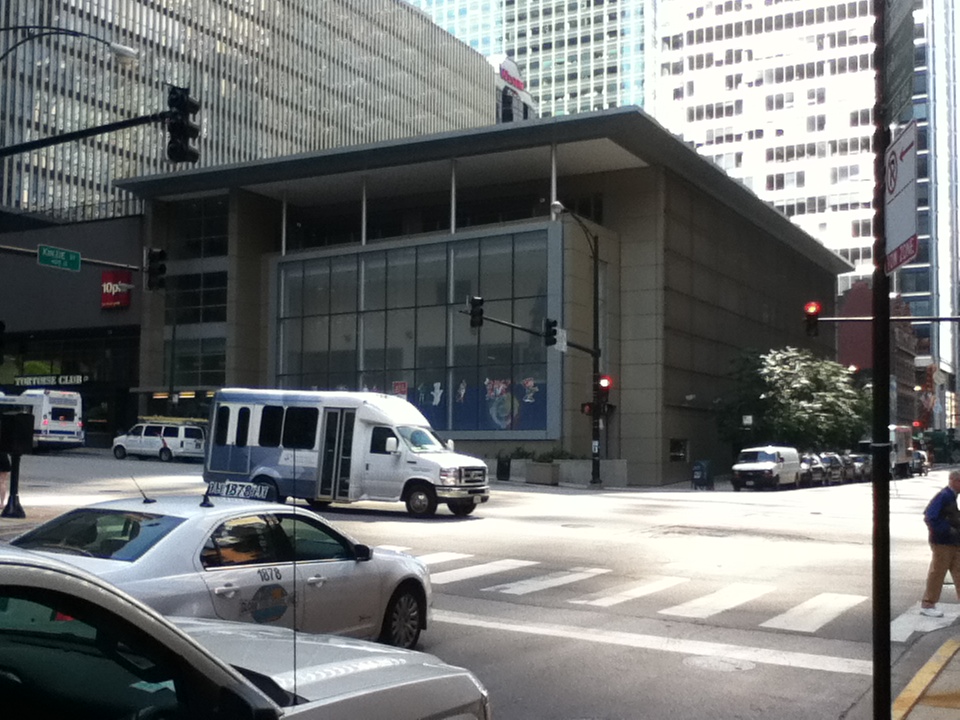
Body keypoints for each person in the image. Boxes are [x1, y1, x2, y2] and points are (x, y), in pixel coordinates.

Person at [920, 469, 960, 617]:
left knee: (958, 571)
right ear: (954, 481)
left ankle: (929, 603)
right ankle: (928, 604)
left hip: (953, 541)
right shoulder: (944, 496)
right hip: (942, 542)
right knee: (938, 572)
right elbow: (930, 516)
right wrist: (947, 530)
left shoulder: (951, 496)